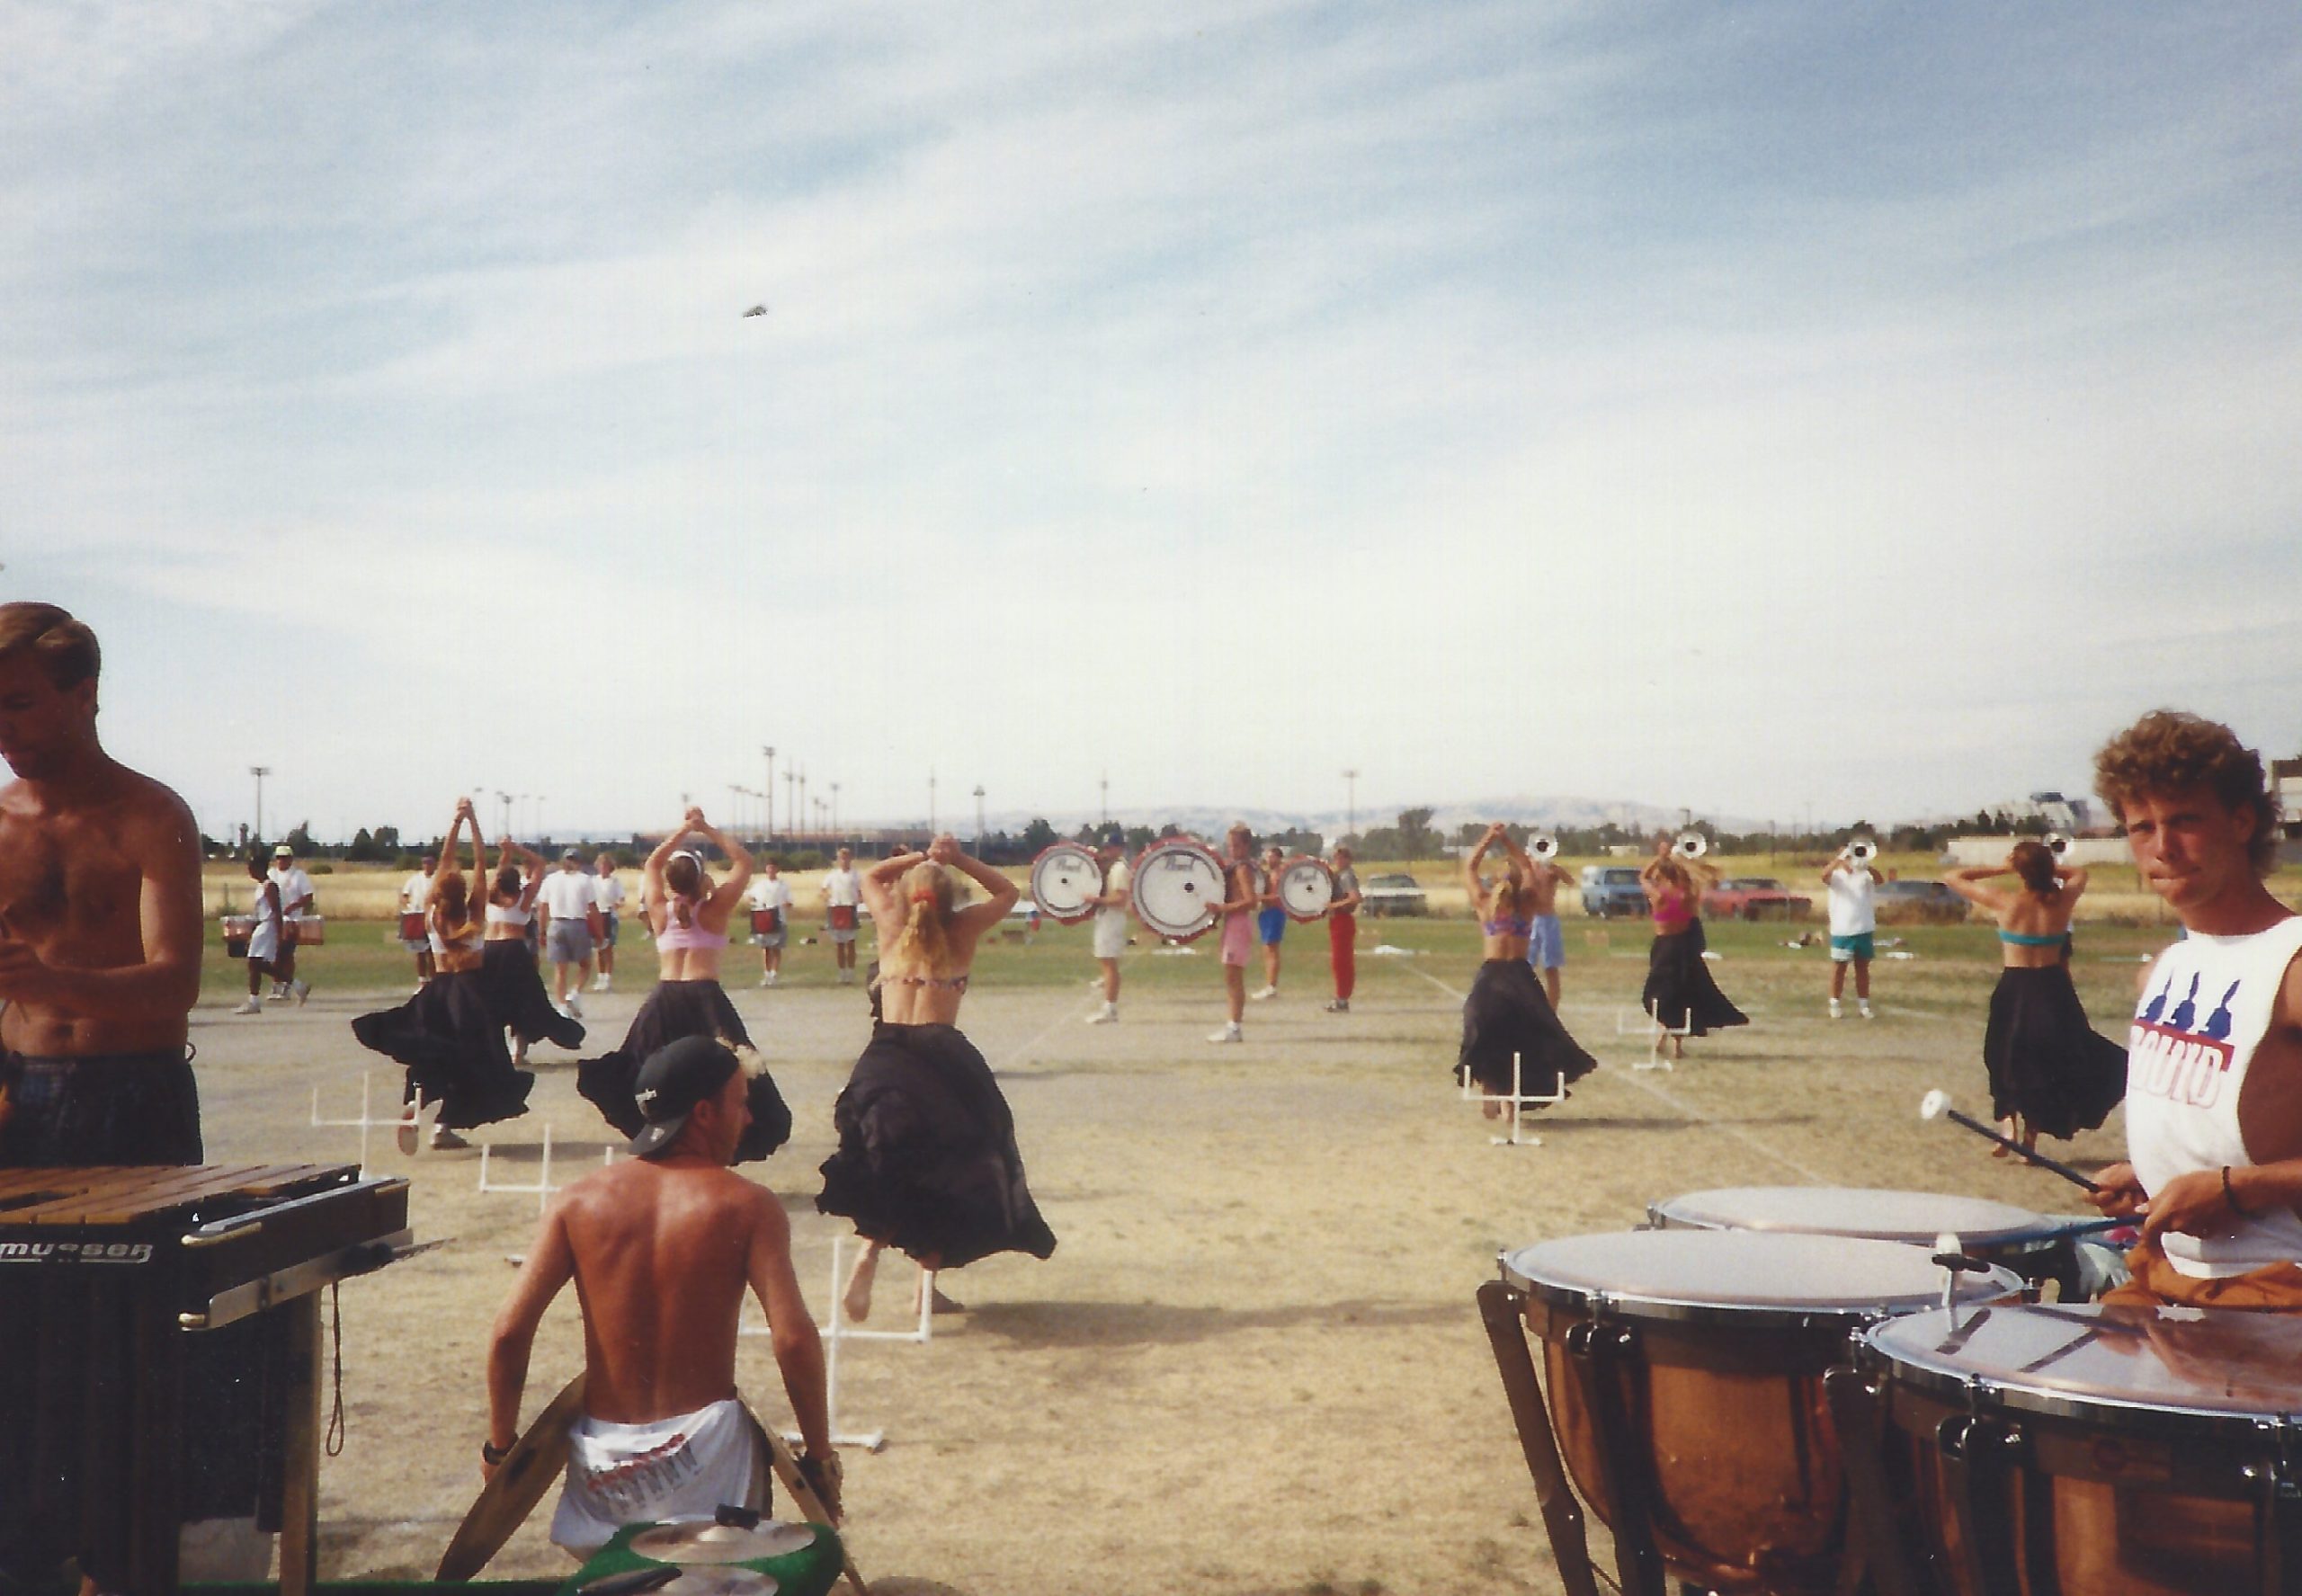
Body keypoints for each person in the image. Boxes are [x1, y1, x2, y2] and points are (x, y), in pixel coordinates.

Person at [0, 602, 263, 1596]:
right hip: (20, 1098)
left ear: (85, 694)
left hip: (134, 1099)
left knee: (134, 1348)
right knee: (18, 1345)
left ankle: (126, 1560)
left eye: (22, 705)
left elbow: (173, 985)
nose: (5, 730)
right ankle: (24, 1556)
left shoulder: (153, 814)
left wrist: (38, 979)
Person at [487, 1035, 838, 1556]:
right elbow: (792, 1339)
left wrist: (500, 1451)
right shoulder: (747, 1205)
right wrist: (819, 1457)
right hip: (709, 1458)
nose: (747, 1120)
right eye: (740, 1104)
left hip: (603, 1464)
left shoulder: (575, 1202)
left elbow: (509, 1333)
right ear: (703, 1113)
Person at [2080, 711, 2302, 1311]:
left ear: (2241, 820)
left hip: (2273, 1297)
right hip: (2163, 1273)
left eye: (2184, 821)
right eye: (2141, 827)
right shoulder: (2167, 968)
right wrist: (2155, 1170)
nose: (2162, 847)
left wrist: (2234, 1191)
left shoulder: (2292, 963)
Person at [817, 834, 1056, 1321]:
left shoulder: (890, 923)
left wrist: (921, 857)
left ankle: (869, 1252)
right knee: (959, 1167)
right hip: (940, 1056)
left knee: (886, 1161)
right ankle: (925, 1285)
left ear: (906, 897)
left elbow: (871, 876)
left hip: (884, 1055)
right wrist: (958, 858)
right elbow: (1009, 895)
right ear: (951, 899)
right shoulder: (962, 929)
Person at [576, 809, 790, 1161]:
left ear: (672, 882)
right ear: (701, 878)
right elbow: (744, 861)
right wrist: (703, 828)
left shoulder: (659, 909)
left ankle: (663, 1137)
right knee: (728, 1075)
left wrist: (682, 831)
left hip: (665, 998)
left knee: (643, 1069)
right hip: (705, 998)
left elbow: (651, 864)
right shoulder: (715, 909)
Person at [352, 800, 535, 1150]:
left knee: (437, 1055)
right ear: (462, 892)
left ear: (438, 892)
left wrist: (456, 822)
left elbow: (446, 859)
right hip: (471, 995)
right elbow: (482, 862)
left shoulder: (433, 915)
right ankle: (444, 1125)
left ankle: (416, 1102)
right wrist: (473, 821)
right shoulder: (475, 912)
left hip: (436, 993)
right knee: (480, 1064)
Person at [1943, 840, 2124, 1158]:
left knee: (2004, 1056)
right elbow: (2080, 873)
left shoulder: (2005, 902)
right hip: (2053, 987)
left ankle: (2008, 1125)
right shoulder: (2062, 900)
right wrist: (2044, 866)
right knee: (2046, 1062)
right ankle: (2030, 1136)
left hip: (2016, 985)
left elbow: (1953, 877)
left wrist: (2003, 867)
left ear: (2020, 871)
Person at [1458, 824, 1598, 1116]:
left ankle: (1506, 1094)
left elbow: (1472, 866)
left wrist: (1493, 838)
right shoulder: (1491, 905)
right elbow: (1517, 866)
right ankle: (1491, 1086)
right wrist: (1503, 839)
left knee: (1519, 1033)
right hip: (1501, 976)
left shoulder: (1524, 905)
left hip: (1513, 976)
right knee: (1485, 1027)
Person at [1637, 836, 1745, 1065]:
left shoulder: (1657, 895)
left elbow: (1643, 877)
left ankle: (1664, 1036)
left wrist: (1660, 858)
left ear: (1664, 877)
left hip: (1663, 946)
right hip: (1682, 946)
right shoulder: (1688, 895)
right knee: (1681, 995)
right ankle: (1674, 1044)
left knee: (1659, 996)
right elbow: (1707, 882)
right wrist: (1683, 864)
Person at [480, 837, 584, 1067]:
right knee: (525, 1000)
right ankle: (518, 1049)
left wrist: (504, 852)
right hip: (513, 949)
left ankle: (494, 1049)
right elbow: (539, 863)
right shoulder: (523, 898)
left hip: (489, 949)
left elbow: (500, 873)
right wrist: (514, 847)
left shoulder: (491, 895)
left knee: (489, 1000)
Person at [1208, 824, 1258, 1044]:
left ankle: (1234, 1027)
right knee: (1231, 977)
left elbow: (1250, 901)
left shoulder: (1243, 868)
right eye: (1230, 845)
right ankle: (1232, 1025)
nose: (1232, 849)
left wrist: (1221, 910)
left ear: (1246, 845)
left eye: (1236, 845)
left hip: (1239, 923)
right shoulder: (1235, 866)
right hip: (1233, 922)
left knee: (1234, 978)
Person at [232, 852, 297, 1014]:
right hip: (263, 926)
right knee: (257, 964)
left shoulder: (269, 886)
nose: (249, 870)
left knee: (254, 963)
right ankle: (295, 984)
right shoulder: (261, 887)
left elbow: (276, 911)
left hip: (268, 927)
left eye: (252, 867)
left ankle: (254, 1001)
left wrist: (279, 934)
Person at [1821, 846, 1880, 1020]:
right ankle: (1834, 1004)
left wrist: (1866, 865)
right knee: (1839, 969)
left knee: (1862, 969)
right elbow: (1823, 876)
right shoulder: (1836, 876)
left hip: (1864, 928)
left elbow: (1880, 880)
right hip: (1842, 930)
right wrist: (1839, 860)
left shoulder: (1865, 876)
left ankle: (1864, 1005)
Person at [1519, 837, 1573, 1009]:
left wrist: (1556, 870)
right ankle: (1525, 1005)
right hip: (1529, 921)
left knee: (1551, 968)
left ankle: (1552, 1011)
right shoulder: (1526, 869)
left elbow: (1570, 881)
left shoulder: (1551, 869)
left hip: (1548, 921)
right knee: (1524, 968)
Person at [1085, 830, 1131, 1024]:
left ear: (1119, 848)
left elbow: (1120, 899)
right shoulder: (1111, 868)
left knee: (1109, 964)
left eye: (1111, 847)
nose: (1107, 851)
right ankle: (1109, 1005)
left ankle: (1110, 1008)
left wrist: (1096, 900)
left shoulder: (1119, 869)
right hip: (1107, 917)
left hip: (1112, 917)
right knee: (1106, 962)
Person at [265, 843, 316, 1003]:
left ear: (291, 859)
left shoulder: (298, 875)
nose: (281, 861)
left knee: (286, 953)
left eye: (285, 858)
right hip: (274, 919)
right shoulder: (271, 874)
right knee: (274, 954)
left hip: (292, 919)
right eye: (279, 857)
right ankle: (277, 984)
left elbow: (308, 896)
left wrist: (293, 906)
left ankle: (286, 986)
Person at [1325, 843, 1363, 1013]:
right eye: (1336, 857)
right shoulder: (1340, 875)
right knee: (1339, 961)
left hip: (1343, 919)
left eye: (1341, 857)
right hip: (1338, 920)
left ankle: (1342, 998)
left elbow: (1355, 898)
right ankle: (1341, 996)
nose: (1338, 860)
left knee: (1341, 961)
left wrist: (1333, 905)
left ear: (1348, 859)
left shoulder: (1347, 876)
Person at [821, 845, 864, 985]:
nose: (844, 860)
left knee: (851, 943)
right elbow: (823, 890)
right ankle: (842, 972)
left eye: (846, 858)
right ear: (838, 859)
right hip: (835, 908)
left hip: (850, 908)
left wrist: (860, 898)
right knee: (839, 944)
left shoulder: (856, 875)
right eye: (841, 858)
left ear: (850, 859)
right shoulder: (832, 875)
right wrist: (828, 897)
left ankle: (851, 972)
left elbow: (861, 891)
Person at [748, 857, 794, 987]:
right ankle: (766, 974)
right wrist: (756, 903)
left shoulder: (783, 885)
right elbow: (750, 897)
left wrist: (785, 905)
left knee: (776, 948)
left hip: (778, 919)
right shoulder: (760, 884)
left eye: (773, 868)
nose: (771, 870)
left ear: (777, 869)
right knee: (766, 948)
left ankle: (774, 974)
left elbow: (790, 901)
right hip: (764, 918)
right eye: (769, 867)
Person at [1250, 843, 1286, 1001]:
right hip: (1266, 912)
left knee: (1272, 950)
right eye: (1267, 856)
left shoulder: (1279, 875)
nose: (1268, 859)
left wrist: (1260, 898)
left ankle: (1272, 986)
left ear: (1278, 858)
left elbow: (1279, 897)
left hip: (1275, 912)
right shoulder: (1268, 874)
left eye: (1271, 856)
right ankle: (1269, 984)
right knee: (1267, 950)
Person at [401, 852, 439, 990]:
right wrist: (408, 907)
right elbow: (405, 895)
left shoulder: (439, 878)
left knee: (433, 950)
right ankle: (422, 981)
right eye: (424, 862)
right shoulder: (415, 879)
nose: (427, 865)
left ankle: (435, 981)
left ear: (435, 863)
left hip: (435, 917)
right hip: (418, 916)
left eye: (430, 862)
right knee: (420, 951)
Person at [589, 851, 624, 993]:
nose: (603, 867)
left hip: (609, 915)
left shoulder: (614, 881)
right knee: (598, 948)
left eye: (606, 865)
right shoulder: (593, 881)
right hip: (597, 915)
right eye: (601, 864)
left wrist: (616, 904)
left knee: (608, 948)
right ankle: (600, 977)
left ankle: (608, 978)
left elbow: (621, 899)